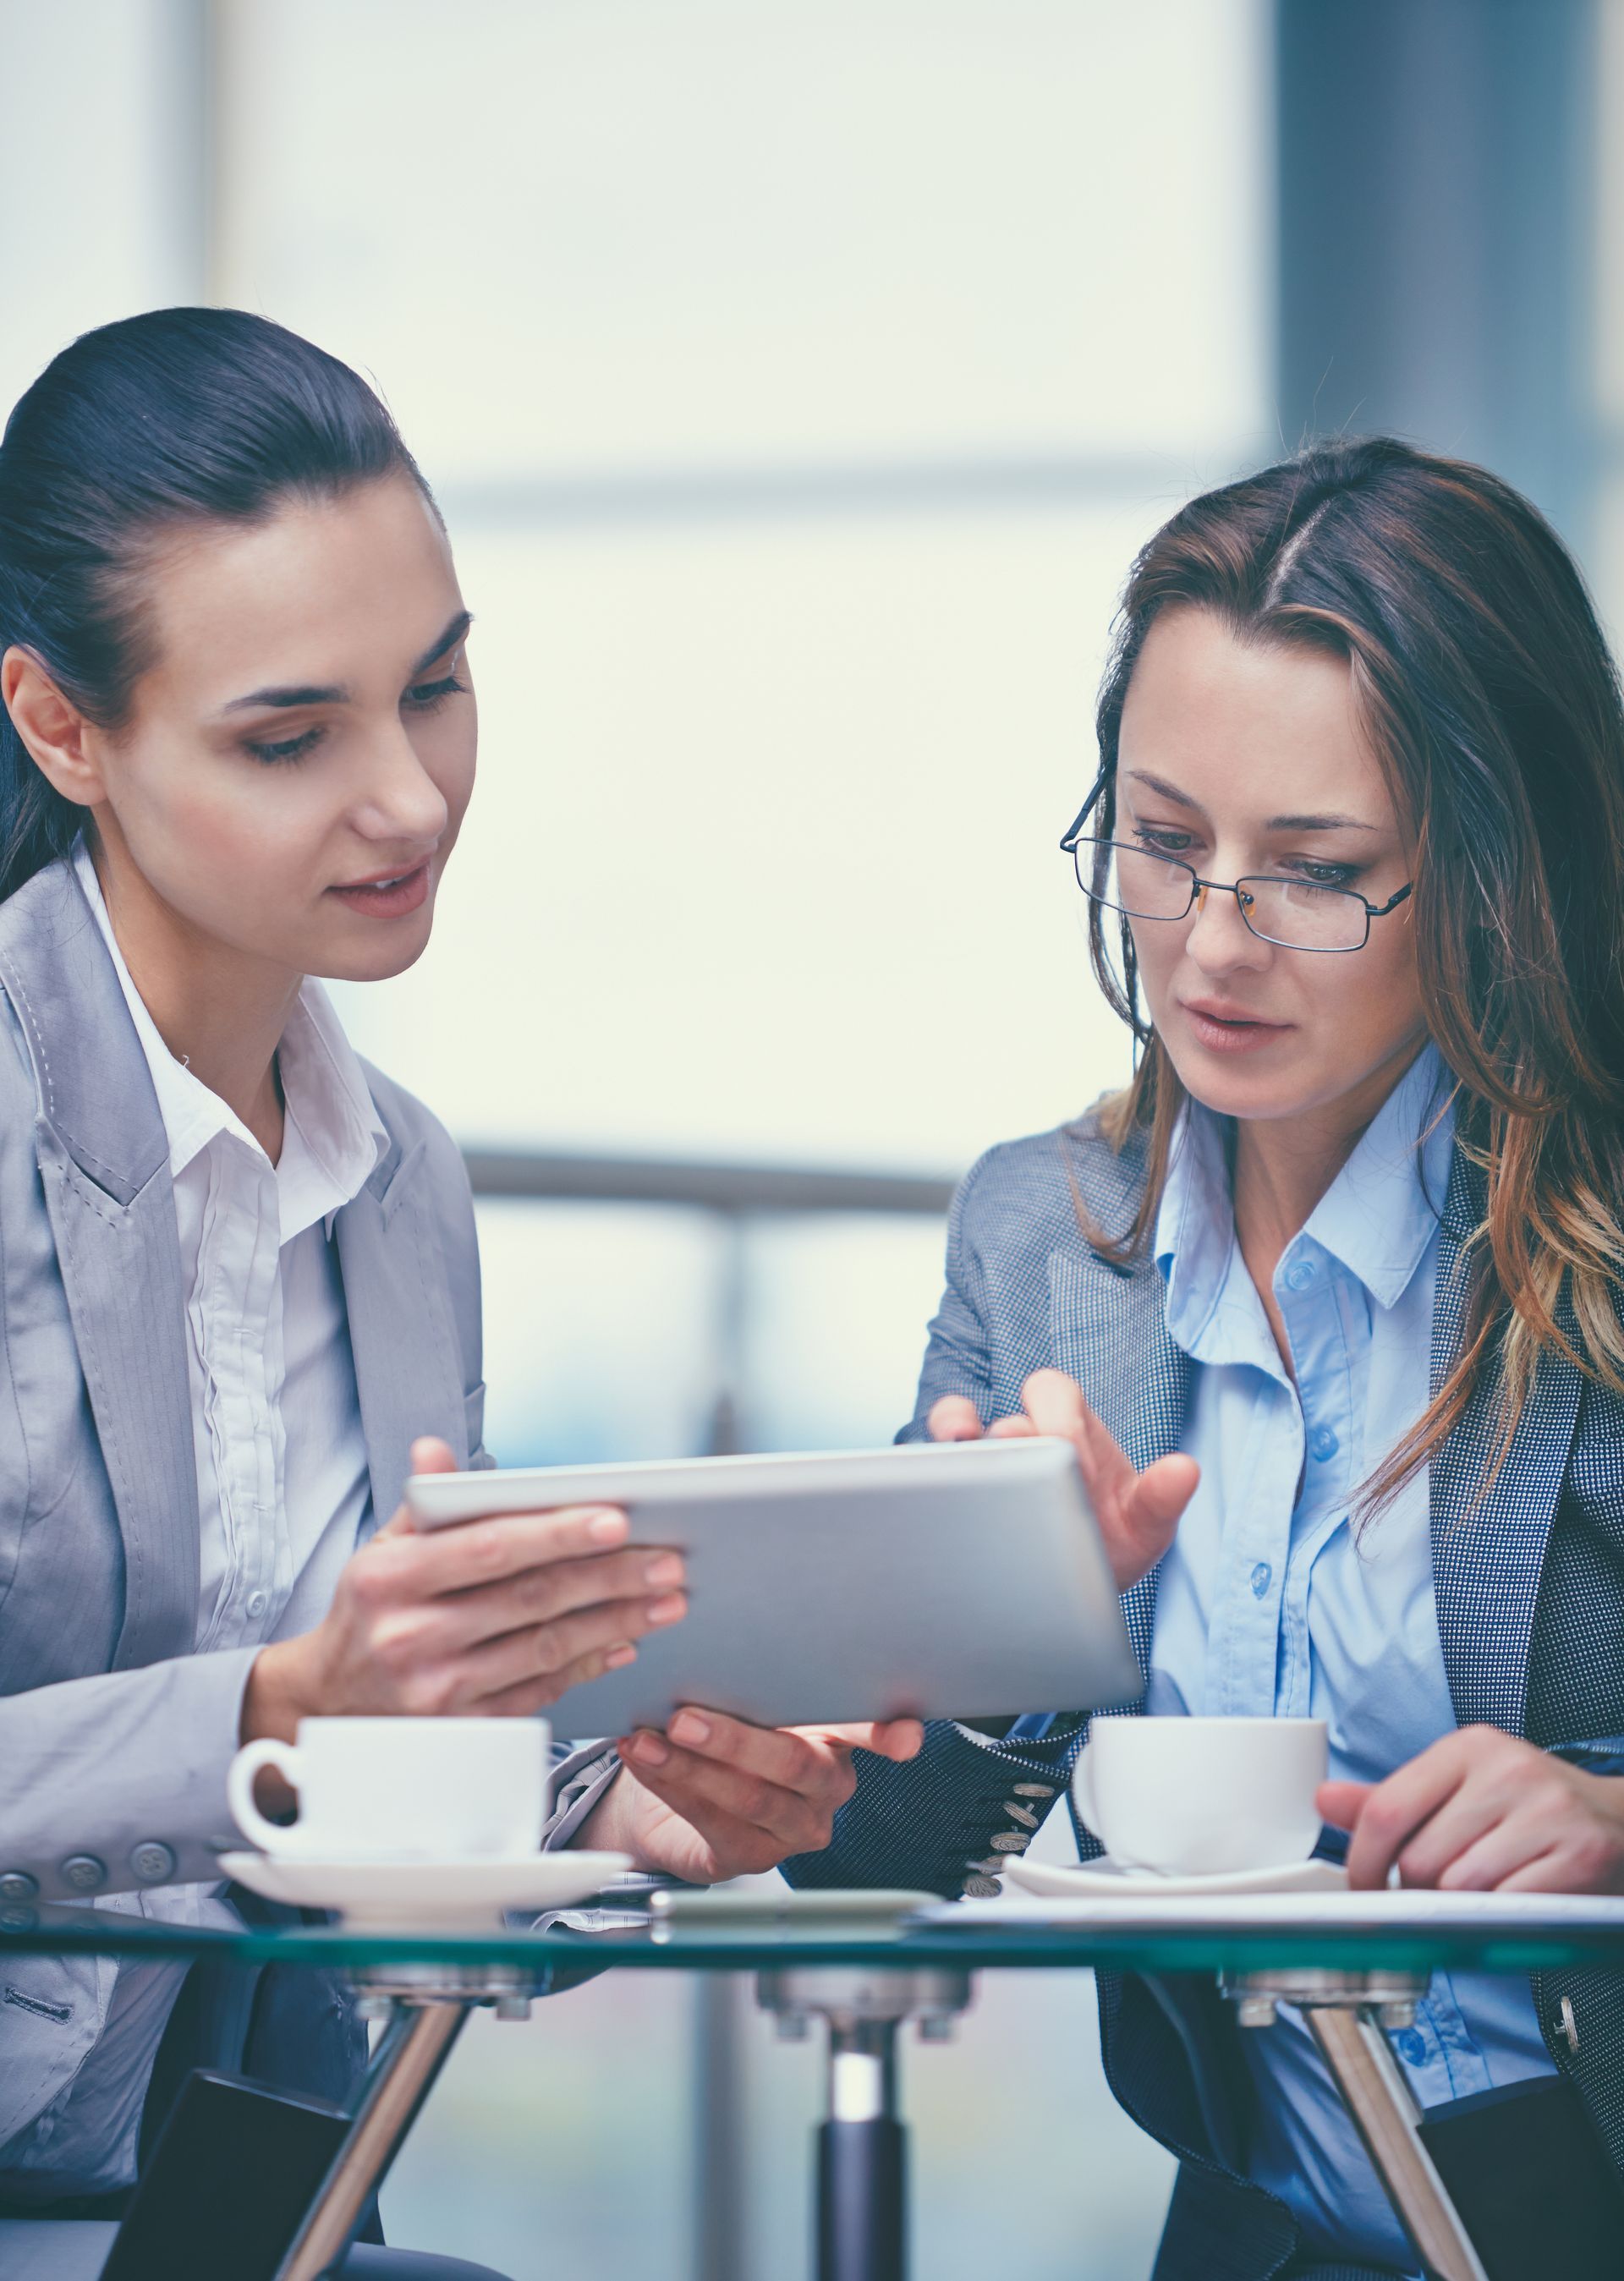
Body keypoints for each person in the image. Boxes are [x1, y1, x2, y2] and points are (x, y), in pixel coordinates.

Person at [579, 438, 1624, 2278]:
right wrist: (1008, 1639)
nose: (1211, 941)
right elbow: (872, 1853)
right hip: (1257, 2219)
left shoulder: (1596, 1242)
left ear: (1490, 870)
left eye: (1318, 870)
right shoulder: (1043, 1246)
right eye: (1162, 840)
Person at [0, 307, 919, 2280]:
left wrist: (624, 1809)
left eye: (438, 686)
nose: (411, 797)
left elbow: (400, 1791)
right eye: (289, 735)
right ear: (63, 727)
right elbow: (290, 1715)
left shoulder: (401, 1184)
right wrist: (277, 1709)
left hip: (224, 2194)